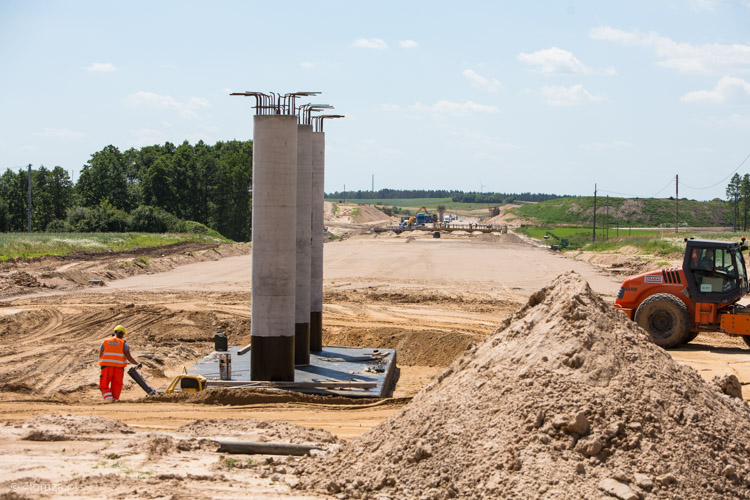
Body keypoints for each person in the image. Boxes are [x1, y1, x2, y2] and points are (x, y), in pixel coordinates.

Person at [99, 325, 141, 402]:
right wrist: (137, 363)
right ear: (122, 335)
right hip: (119, 369)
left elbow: (101, 355)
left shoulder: (105, 342)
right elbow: (129, 358)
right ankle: (115, 400)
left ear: (114, 332)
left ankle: (108, 399)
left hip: (106, 368)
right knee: (117, 386)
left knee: (104, 385)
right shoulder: (123, 344)